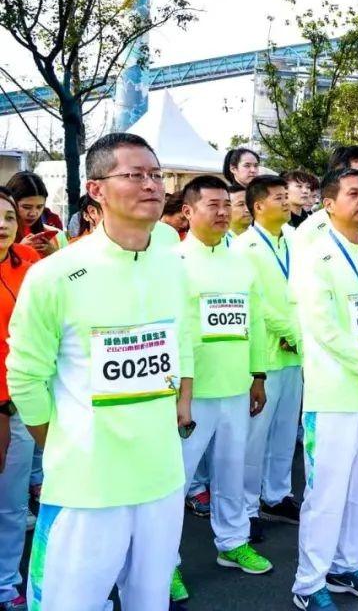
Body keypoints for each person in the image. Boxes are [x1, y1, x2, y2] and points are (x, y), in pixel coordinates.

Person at [7, 133, 195, 609]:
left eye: (156, 175)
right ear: (96, 190)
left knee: (150, 600)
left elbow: (181, 343)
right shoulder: (54, 275)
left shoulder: (173, 266)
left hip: (161, 478)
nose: (151, 185)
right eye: (134, 175)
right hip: (88, 485)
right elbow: (25, 374)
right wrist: (63, 442)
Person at [290, 169, 358, 609]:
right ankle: (309, 583)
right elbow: (322, 326)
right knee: (327, 489)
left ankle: (347, 564)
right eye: (353, 193)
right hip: (335, 392)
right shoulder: (314, 255)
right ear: (328, 204)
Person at [171, 176, 272, 601]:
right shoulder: (172, 261)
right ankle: (164, 562)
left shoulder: (241, 262)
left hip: (235, 386)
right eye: (211, 204)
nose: (220, 212)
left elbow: (256, 323)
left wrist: (258, 374)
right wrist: (180, 393)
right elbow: (173, 332)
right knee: (176, 481)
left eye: (225, 205)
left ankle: (233, 543)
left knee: (232, 472)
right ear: (188, 211)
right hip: (191, 395)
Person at [233, 176, 303, 541]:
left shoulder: (296, 240)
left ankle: (277, 494)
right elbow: (255, 304)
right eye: (279, 198)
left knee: (285, 431)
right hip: (265, 354)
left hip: (296, 354)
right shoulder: (243, 247)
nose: (287, 202)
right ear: (258, 205)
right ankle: (246, 506)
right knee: (253, 437)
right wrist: (293, 332)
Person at [0, 190, 40, 611]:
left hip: (18, 404)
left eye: (9, 216)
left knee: (11, 506)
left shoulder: (32, 268)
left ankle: (6, 583)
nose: (3, 224)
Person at [7, 171, 66, 257]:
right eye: (26, 207)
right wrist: (19, 251)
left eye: (39, 207)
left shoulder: (57, 236)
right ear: (10, 202)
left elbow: (71, 268)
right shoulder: (3, 234)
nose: (33, 213)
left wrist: (54, 255)